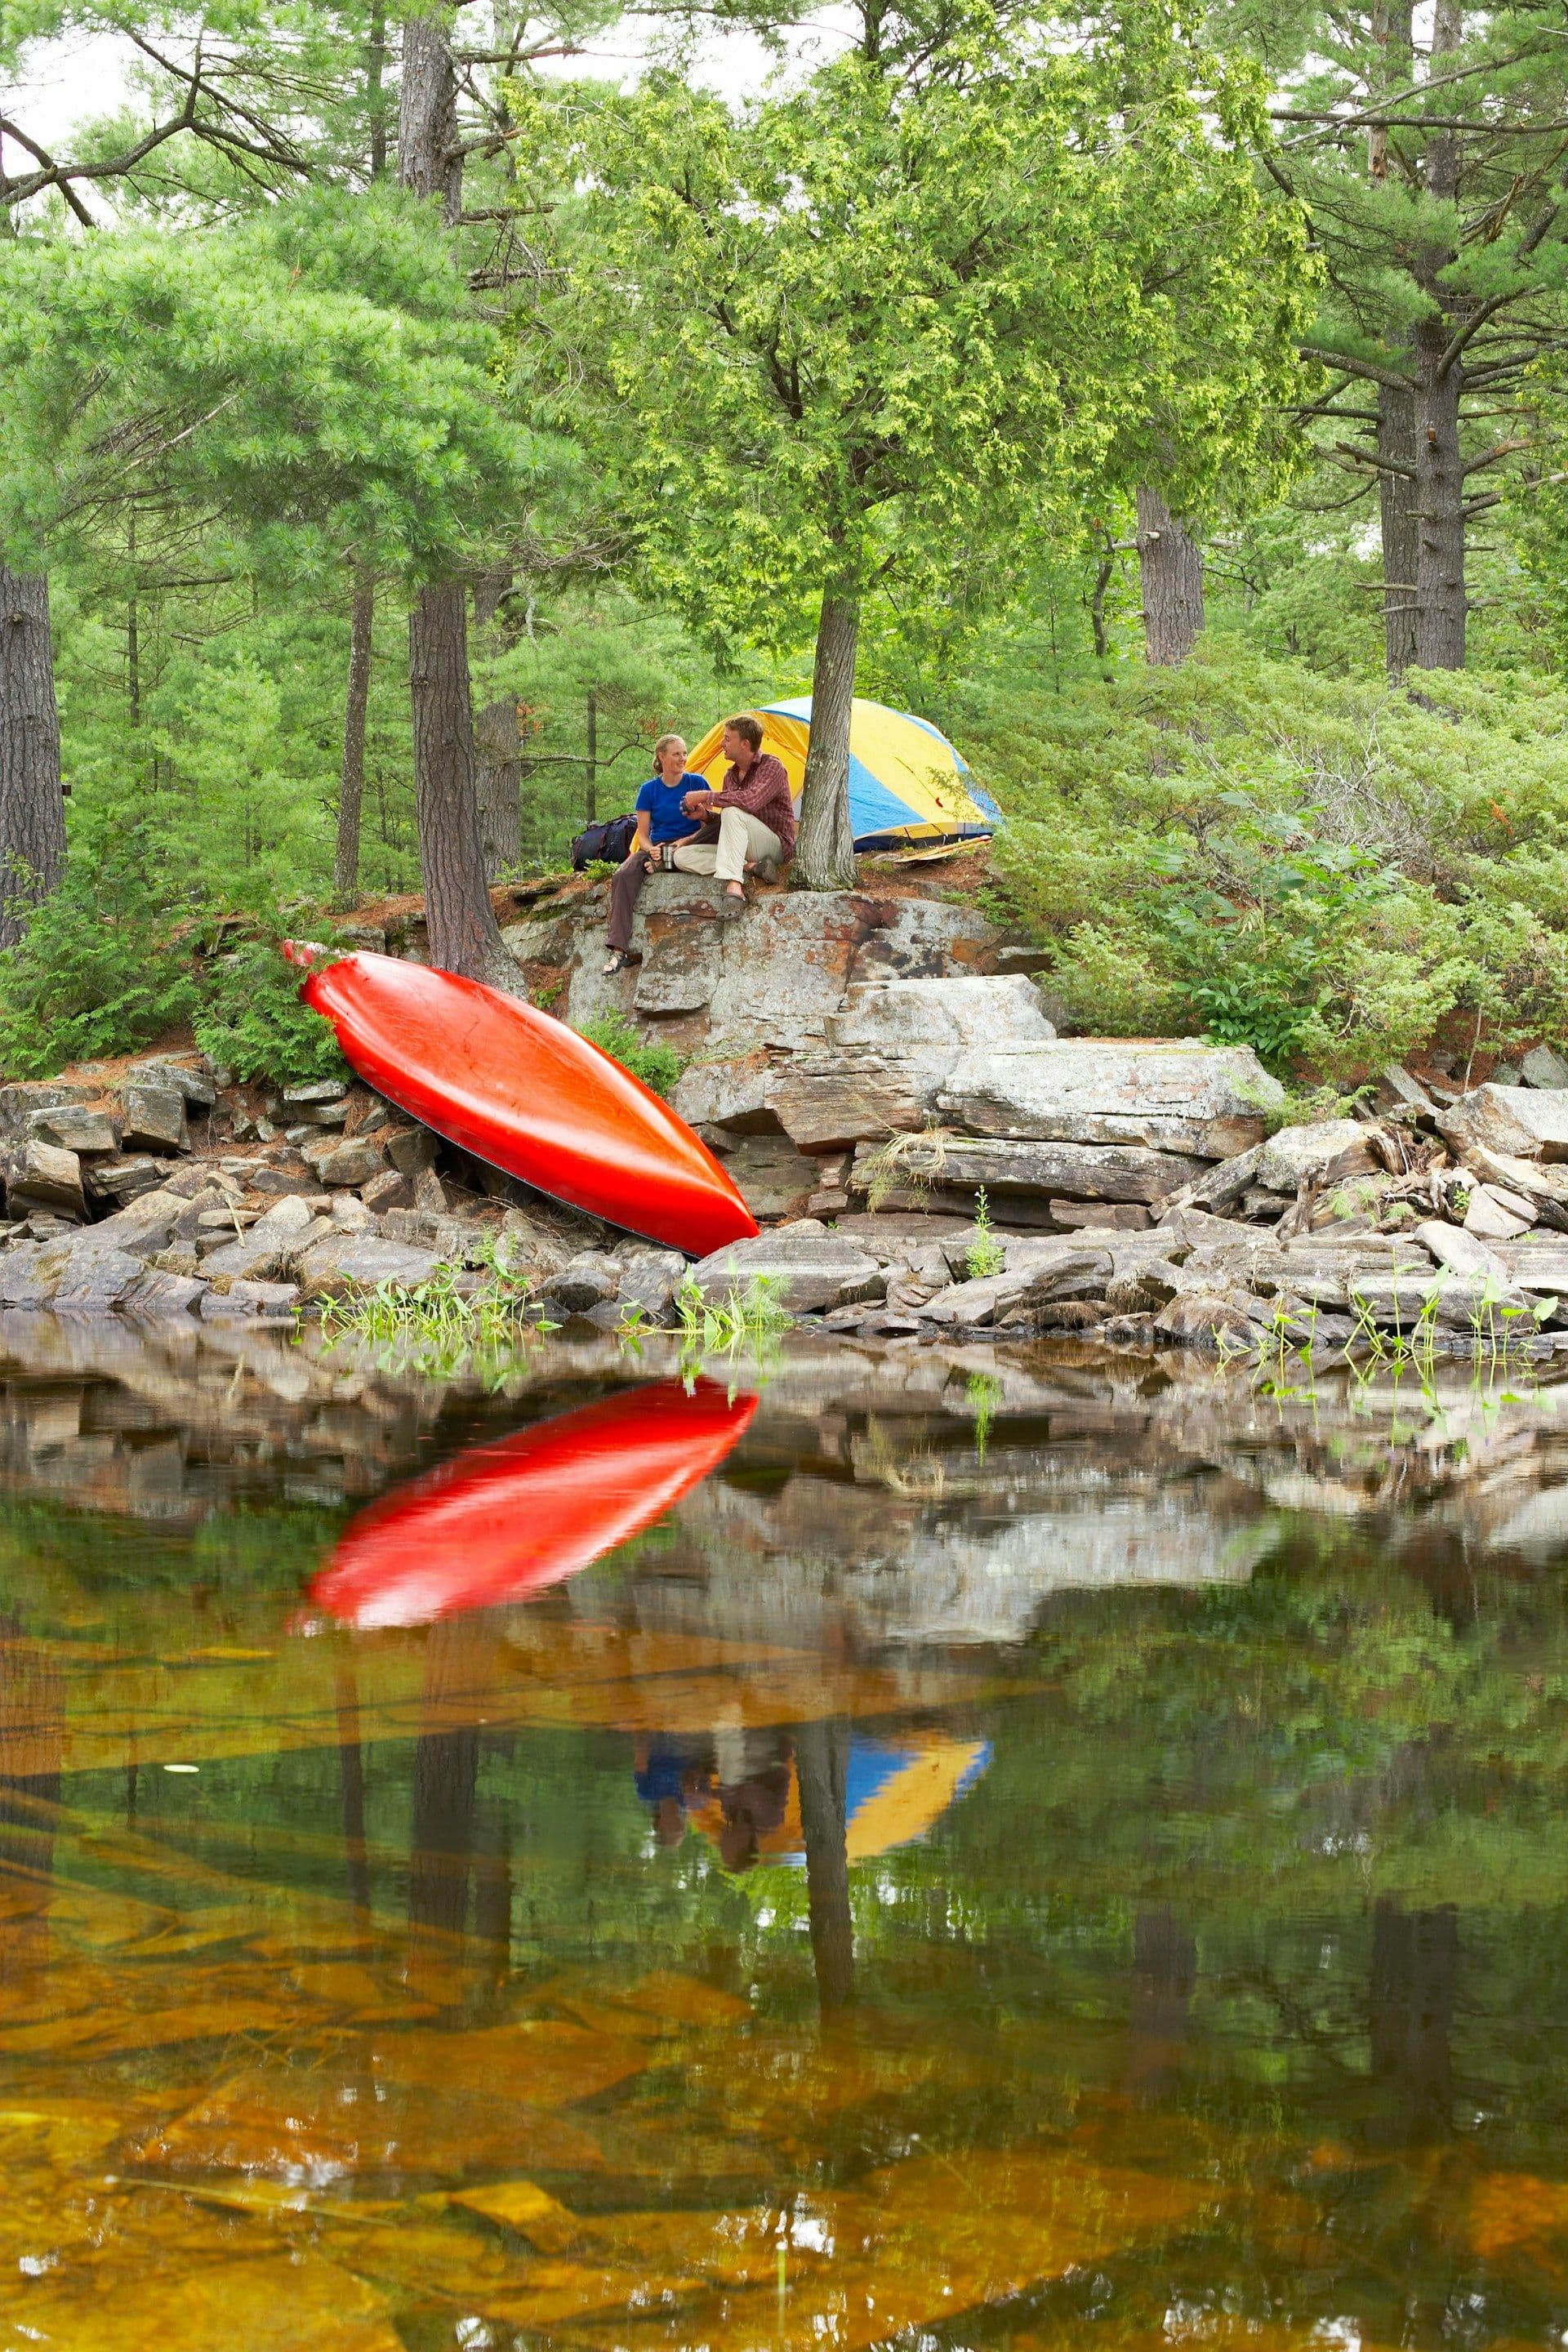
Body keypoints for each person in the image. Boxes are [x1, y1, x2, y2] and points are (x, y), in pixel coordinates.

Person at [603, 733, 710, 977]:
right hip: (659, 846)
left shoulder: (697, 783)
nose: (683, 758)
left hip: (694, 843)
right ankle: (619, 949)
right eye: (676, 754)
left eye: (684, 753)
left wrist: (684, 842)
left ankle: (665, 862)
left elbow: (709, 826)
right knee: (623, 874)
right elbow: (642, 835)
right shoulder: (649, 790)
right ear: (662, 757)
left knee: (705, 837)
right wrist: (650, 849)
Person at [673, 715, 795, 914]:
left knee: (732, 810)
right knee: (682, 856)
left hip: (775, 846)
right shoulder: (730, 775)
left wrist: (706, 795)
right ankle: (750, 867)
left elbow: (750, 802)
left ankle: (734, 887)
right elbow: (729, 823)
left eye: (727, 739)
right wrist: (705, 816)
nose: (722, 744)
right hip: (744, 848)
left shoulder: (772, 766)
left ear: (745, 744)